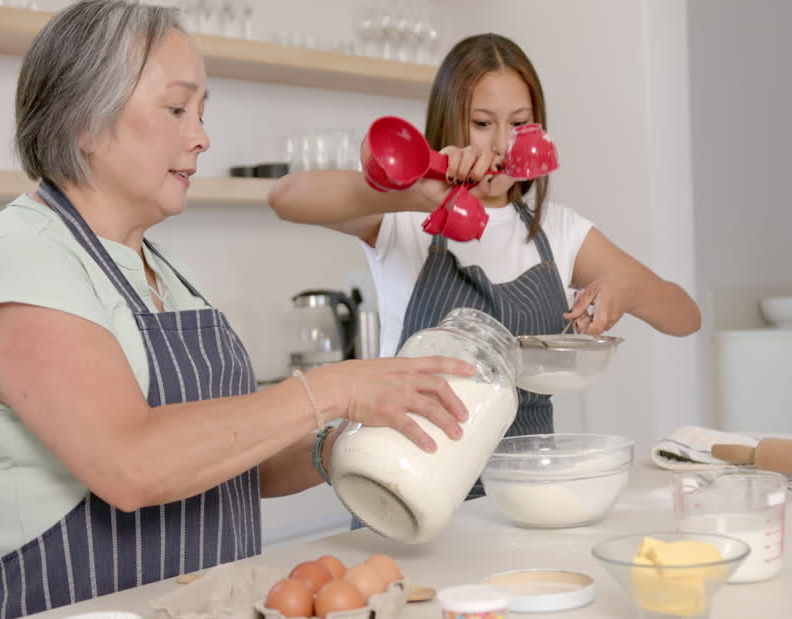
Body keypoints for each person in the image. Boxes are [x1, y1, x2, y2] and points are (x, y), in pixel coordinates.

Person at [0, 0, 472, 619]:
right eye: (176, 109)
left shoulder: (157, 269)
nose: (201, 136)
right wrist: (334, 388)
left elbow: (228, 458)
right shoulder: (18, 264)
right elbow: (132, 463)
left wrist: (338, 444)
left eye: (202, 114)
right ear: (82, 122)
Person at [269, 33, 701, 499]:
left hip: (526, 496)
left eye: (518, 124)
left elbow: (685, 316)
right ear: (449, 122)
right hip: (406, 485)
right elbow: (286, 198)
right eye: (481, 123)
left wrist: (628, 289)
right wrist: (416, 191)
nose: (499, 145)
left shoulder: (557, 230)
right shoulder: (405, 220)